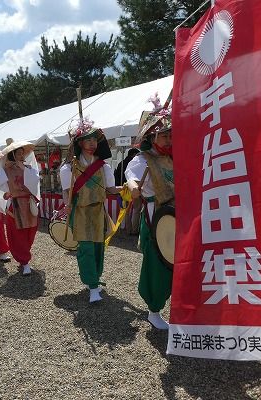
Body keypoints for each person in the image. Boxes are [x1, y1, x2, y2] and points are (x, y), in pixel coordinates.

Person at [125, 98, 174, 329]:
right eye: (164, 135)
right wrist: (133, 187)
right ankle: (154, 310)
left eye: (169, 135)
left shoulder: (173, 157)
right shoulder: (141, 159)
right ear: (152, 137)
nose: (169, 139)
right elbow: (132, 179)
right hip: (157, 216)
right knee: (158, 263)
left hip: (178, 214)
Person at [60, 120, 121, 303]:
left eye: (95, 139)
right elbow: (66, 192)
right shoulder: (69, 168)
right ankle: (93, 285)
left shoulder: (104, 166)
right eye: (88, 140)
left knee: (98, 249)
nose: (92, 143)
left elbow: (110, 189)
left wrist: (127, 188)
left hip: (98, 212)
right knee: (86, 249)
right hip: (80, 212)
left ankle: (94, 279)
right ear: (80, 143)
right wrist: (67, 205)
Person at [0, 138, 40, 275]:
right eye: (18, 153)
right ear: (12, 154)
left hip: (28, 202)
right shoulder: (5, 169)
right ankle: (25, 261)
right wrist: (6, 189)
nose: (22, 156)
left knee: (30, 232)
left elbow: (36, 181)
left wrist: (24, 169)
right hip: (15, 205)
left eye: (22, 153)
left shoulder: (29, 168)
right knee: (18, 234)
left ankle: (24, 256)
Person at [115, 148, 141, 235]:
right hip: (132, 188)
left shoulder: (121, 163)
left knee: (126, 210)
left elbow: (116, 176)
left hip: (123, 189)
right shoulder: (135, 164)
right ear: (133, 154)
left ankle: (128, 229)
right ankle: (134, 230)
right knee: (136, 209)